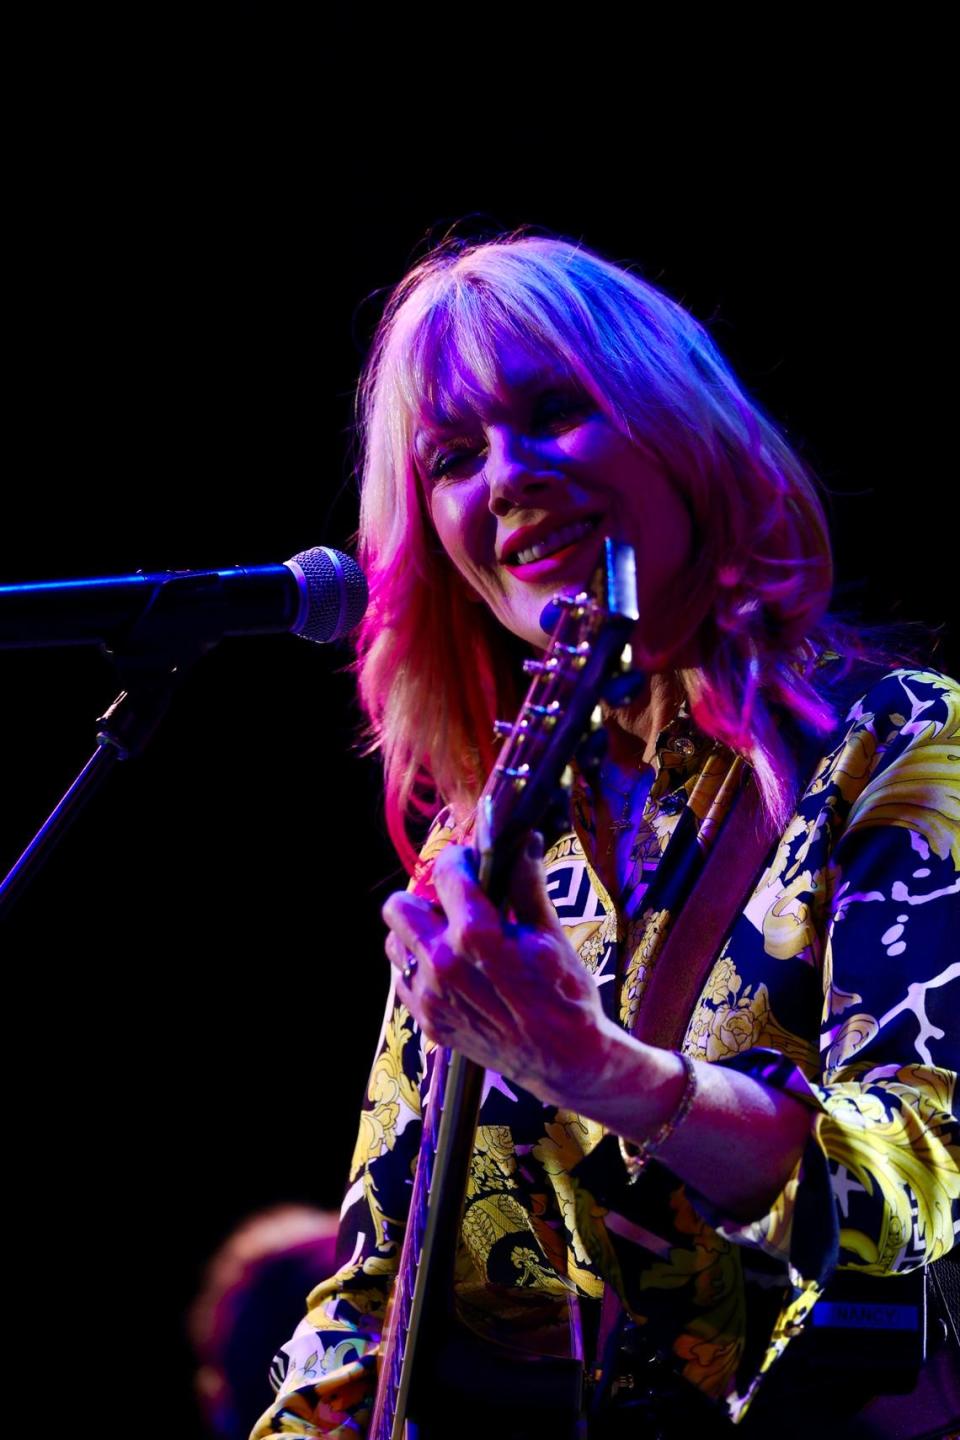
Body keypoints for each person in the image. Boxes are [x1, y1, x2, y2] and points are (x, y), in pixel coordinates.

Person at [250, 233, 959, 1438]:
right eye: (455, 457)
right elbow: (376, 1289)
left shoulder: (897, 747)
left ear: (683, 431)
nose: (510, 478)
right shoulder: (484, 849)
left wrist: (604, 1073)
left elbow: (924, 1181)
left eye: (556, 413)